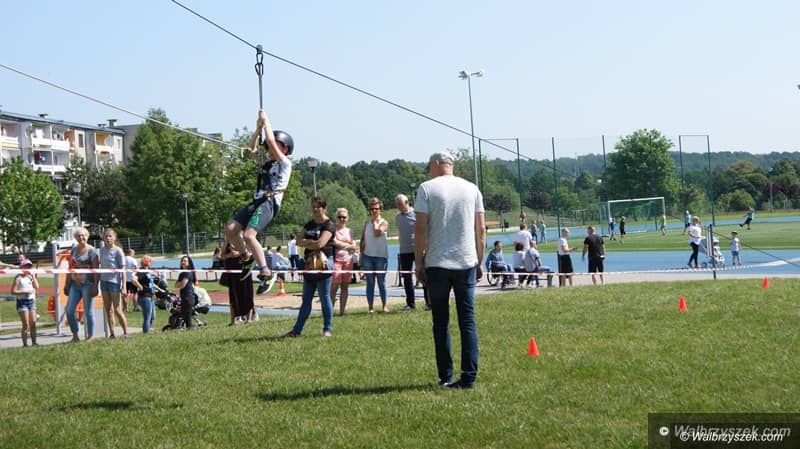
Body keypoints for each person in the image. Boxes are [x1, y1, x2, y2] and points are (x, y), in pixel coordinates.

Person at [414, 151, 485, 390]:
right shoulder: (472, 189)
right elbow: (481, 230)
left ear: (436, 164)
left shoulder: (426, 188)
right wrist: (479, 261)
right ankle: (469, 376)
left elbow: (420, 230)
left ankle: (445, 375)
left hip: (437, 262)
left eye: (429, 166)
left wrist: (419, 263)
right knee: (467, 320)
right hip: (466, 261)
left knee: (441, 321)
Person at [224, 108, 293, 290]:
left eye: (276, 145)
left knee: (249, 235)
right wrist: (257, 129)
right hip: (257, 202)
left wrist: (266, 120)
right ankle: (246, 257)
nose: (270, 148)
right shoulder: (267, 162)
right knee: (230, 230)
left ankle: (266, 272)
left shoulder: (285, 164)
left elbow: (269, 140)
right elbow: (251, 148)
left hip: (270, 202)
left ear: (285, 149)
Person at [284, 196, 336, 337]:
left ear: (324, 208)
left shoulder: (329, 224)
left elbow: (321, 244)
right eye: (313, 206)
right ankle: (296, 331)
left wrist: (307, 242)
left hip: (324, 262)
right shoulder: (309, 224)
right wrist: (311, 243)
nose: (315, 209)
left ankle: (327, 329)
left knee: (324, 297)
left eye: (318, 206)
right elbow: (298, 241)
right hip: (308, 263)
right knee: (306, 299)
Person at [64, 227, 99, 342]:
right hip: (74, 284)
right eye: (78, 235)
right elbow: (70, 267)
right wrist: (67, 284)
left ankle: (90, 336)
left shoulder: (92, 251)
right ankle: (75, 335)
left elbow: (96, 269)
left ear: (87, 236)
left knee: (88, 311)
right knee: (69, 310)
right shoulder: (74, 250)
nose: (81, 237)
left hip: (88, 284)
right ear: (75, 238)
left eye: (83, 235)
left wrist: (95, 286)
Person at [360, 197, 389, 313]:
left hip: (381, 256)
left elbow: (377, 233)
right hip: (367, 256)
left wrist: (376, 224)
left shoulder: (384, 222)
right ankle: (370, 307)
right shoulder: (366, 224)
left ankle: (384, 306)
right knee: (370, 283)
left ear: (380, 209)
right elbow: (362, 240)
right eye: (372, 209)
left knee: (381, 282)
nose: (374, 211)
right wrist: (361, 256)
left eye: (376, 209)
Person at [98, 228, 129, 339]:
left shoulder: (118, 251)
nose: (108, 238)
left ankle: (126, 333)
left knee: (117, 310)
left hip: (114, 283)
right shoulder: (101, 250)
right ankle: (112, 333)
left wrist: (124, 287)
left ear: (114, 238)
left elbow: (123, 270)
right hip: (104, 282)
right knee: (108, 309)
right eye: (106, 236)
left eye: (110, 236)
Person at [220, 237, 254, 324]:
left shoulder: (245, 239)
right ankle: (233, 321)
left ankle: (249, 319)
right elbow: (222, 256)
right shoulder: (227, 241)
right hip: (232, 273)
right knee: (233, 296)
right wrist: (229, 255)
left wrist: (239, 254)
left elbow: (252, 253)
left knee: (247, 294)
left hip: (245, 271)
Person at [395, 194, 419, 310]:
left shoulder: (416, 214)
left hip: (417, 249)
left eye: (400, 204)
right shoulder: (398, 217)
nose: (398, 207)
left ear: (406, 202)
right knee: (407, 277)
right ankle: (410, 304)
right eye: (397, 205)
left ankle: (429, 303)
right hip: (404, 251)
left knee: (423, 276)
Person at [331, 208, 356, 316]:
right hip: (336, 260)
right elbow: (334, 242)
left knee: (345, 286)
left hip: (348, 261)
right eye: (339, 217)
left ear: (347, 218)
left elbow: (354, 246)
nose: (342, 219)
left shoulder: (350, 231)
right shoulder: (333, 230)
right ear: (336, 218)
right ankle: (330, 311)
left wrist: (345, 246)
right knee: (334, 286)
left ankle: (342, 311)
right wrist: (348, 246)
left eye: (344, 217)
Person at [130, 255, 162, 333]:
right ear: (146, 262)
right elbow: (133, 279)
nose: (151, 262)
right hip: (144, 297)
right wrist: (139, 286)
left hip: (150, 296)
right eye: (150, 261)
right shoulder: (141, 271)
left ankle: (147, 330)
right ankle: (146, 333)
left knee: (152, 317)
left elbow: (151, 283)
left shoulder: (147, 271)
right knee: (147, 317)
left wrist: (160, 289)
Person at [12, 258, 38, 346]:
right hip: (22, 302)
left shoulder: (30, 277)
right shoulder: (18, 277)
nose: (28, 268)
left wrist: (33, 277)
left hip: (31, 301)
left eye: (29, 266)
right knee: (26, 324)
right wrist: (24, 292)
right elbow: (13, 291)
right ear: (22, 267)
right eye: (26, 266)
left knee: (33, 323)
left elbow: (36, 286)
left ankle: (34, 343)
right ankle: (25, 344)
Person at [175, 255, 197, 329]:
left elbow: (182, 285)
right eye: (182, 260)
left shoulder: (187, 273)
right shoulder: (182, 273)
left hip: (188, 297)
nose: (183, 262)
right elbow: (176, 285)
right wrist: (179, 284)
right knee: (185, 317)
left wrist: (179, 284)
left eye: (185, 261)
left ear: (188, 263)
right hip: (184, 297)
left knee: (188, 320)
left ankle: (190, 330)